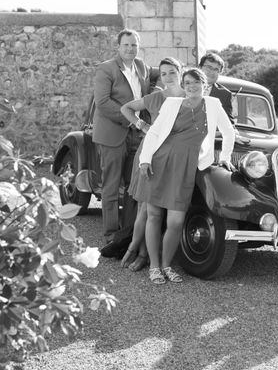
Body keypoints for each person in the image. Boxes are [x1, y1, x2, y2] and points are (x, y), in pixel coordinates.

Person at [132, 68, 236, 284]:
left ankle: (167, 265)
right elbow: (154, 132)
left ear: (204, 84)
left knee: (176, 221)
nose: (190, 86)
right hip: (159, 163)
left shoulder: (213, 105)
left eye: (195, 82)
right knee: (154, 216)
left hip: (187, 167)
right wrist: (145, 159)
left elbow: (228, 131)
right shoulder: (172, 104)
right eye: (187, 83)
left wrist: (225, 157)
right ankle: (154, 267)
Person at [93, 29, 159, 250]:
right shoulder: (106, 68)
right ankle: (111, 234)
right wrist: (132, 121)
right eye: (126, 45)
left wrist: (182, 74)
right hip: (113, 132)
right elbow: (102, 102)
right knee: (111, 186)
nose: (130, 49)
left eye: (134, 45)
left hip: (136, 135)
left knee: (134, 187)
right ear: (118, 47)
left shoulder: (141, 67)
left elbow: (163, 72)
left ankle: (127, 233)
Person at [118, 57, 186, 272]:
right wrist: (143, 125)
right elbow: (126, 108)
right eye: (163, 73)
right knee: (145, 209)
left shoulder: (190, 97)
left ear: (180, 72)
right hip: (151, 154)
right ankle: (139, 253)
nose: (167, 77)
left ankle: (146, 253)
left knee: (161, 211)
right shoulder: (156, 97)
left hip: (175, 158)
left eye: (172, 72)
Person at [199, 52, 234, 122]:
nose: (212, 72)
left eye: (216, 69)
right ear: (200, 67)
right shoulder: (184, 88)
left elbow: (228, 123)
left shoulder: (225, 94)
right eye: (209, 67)